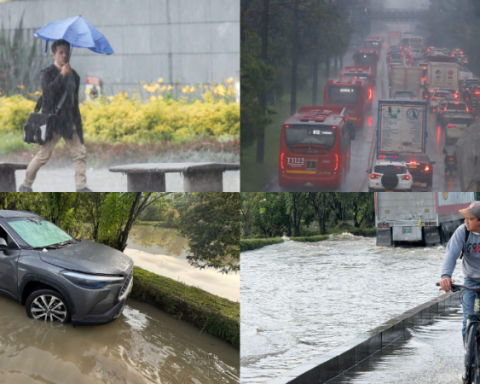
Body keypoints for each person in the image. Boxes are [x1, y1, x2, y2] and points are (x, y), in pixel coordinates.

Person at [19, 39, 92, 192]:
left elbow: (74, 101)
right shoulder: (47, 72)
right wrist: (61, 75)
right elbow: (48, 93)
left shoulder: (75, 76)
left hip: (69, 122)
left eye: (67, 52)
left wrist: (78, 124)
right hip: (52, 122)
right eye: (61, 53)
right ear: (53, 54)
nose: (64, 56)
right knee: (43, 156)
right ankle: (26, 184)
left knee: (80, 153)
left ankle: (81, 187)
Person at [440, 201, 480, 344]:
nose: (466, 221)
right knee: (468, 323)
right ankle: (470, 358)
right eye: (465, 218)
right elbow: (451, 254)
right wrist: (446, 276)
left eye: (470, 218)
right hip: (471, 282)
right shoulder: (462, 232)